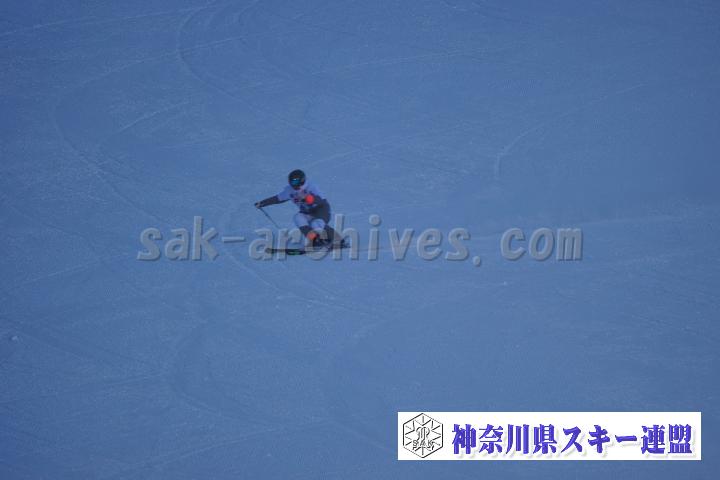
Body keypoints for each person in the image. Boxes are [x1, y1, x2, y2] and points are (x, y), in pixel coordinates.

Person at [254, 169, 344, 248]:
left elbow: (320, 200)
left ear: (302, 181)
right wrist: (262, 203)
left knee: (316, 224)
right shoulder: (290, 190)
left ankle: (337, 240)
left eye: (296, 182)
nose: (295, 186)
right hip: (307, 212)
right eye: (292, 183)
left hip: (321, 210)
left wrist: (308, 198)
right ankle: (315, 240)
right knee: (298, 218)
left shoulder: (311, 187)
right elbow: (277, 198)